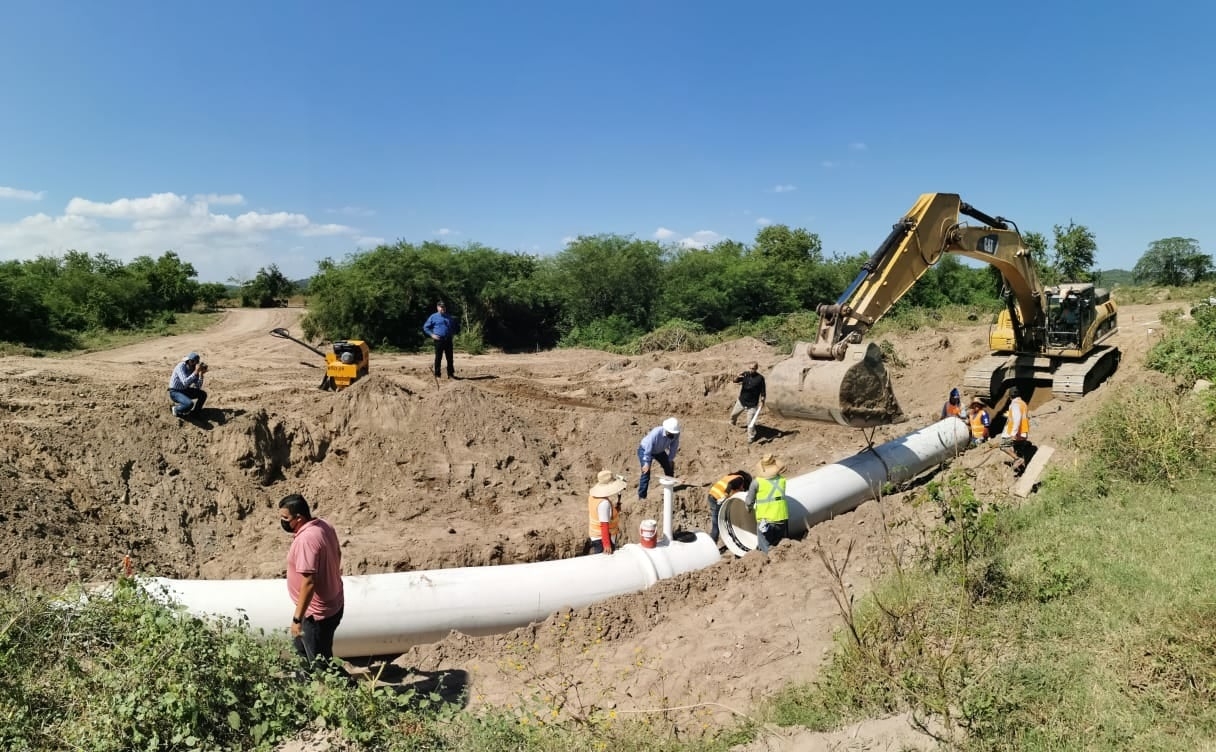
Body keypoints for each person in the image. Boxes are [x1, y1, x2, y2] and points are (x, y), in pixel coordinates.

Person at [279, 493, 345, 672]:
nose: (283, 521)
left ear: (299, 518)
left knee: (322, 664)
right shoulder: (323, 525)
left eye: (285, 518)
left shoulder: (306, 540)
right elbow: (338, 553)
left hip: (315, 616)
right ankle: (306, 690)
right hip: (331, 604)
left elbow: (309, 582)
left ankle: (352, 694)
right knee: (301, 651)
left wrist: (297, 619)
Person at [745, 454, 789, 554]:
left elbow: (749, 502)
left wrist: (748, 508)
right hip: (781, 519)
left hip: (765, 521)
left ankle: (769, 566)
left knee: (765, 550)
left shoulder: (757, 483)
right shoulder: (782, 480)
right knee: (780, 546)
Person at [636, 417, 681, 500]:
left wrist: (670, 459)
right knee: (646, 472)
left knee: (669, 468)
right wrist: (646, 462)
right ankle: (642, 497)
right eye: (670, 433)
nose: (672, 435)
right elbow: (648, 447)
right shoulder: (656, 433)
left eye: (673, 434)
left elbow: (674, 447)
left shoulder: (676, 434)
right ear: (666, 430)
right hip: (645, 450)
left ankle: (669, 489)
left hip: (659, 451)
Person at [586, 469, 628, 555]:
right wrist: (607, 545)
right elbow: (604, 525)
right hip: (602, 539)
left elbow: (599, 513)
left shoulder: (592, 496)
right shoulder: (604, 503)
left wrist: (614, 510)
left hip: (595, 535)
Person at [706, 470, 752, 544]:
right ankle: (713, 544)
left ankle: (711, 544)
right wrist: (726, 495)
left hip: (711, 495)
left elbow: (733, 488)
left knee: (716, 523)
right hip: (718, 498)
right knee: (718, 525)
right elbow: (730, 485)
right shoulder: (740, 479)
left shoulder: (730, 476)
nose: (743, 488)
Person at [730, 362, 766, 443]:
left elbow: (763, 391)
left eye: (753, 369)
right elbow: (735, 381)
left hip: (752, 404)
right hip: (742, 401)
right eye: (750, 368)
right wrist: (736, 377)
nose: (751, 370)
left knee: (750, 423)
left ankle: (751, 437)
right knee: (733, 415)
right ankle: (731, 427)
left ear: (756, 369)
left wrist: (762, 401)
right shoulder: (745, 374)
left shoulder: (760, 378)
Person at [422, 300, 460, 378]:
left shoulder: (449, 317)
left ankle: (450, 374)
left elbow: (454, 327)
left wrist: (453, 333)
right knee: (438, 357)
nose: (443, 308)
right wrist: (432, 335)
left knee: (450, 358)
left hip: (448, 340)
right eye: (441, 307)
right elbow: (425, 327)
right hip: (439, 340)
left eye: (444, 307)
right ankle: (437, 374)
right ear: (437, 307)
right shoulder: (433, 317)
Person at [998, 386, 1032, 473]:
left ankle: (1017, 459)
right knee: (1018, 450)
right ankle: (1023, 469)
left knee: (1003, 445)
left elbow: (1017, 419)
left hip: (1015, 433)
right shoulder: (1023, 403)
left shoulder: (1015, 404)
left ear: (1010, 397)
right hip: (1023, 432)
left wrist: (1013, 433)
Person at [168, 352, 208, 418]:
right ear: (189, 361)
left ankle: (195, 413)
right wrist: (195, 372)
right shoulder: (181, 366)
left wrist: (201, 375)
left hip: (185, 390)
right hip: (175, 392)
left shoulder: (194, 370)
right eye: (192, 362)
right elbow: (185, 382)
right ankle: (175, 408)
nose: (193, 364)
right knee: (189, 404)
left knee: (203, 394)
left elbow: (198, 386)